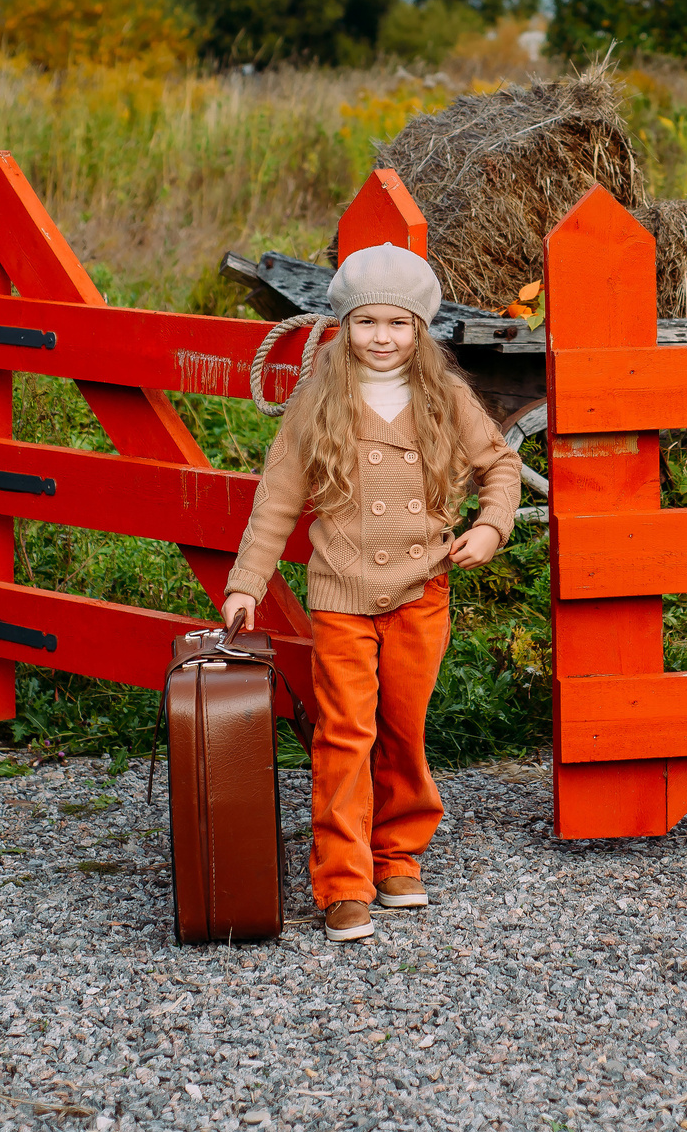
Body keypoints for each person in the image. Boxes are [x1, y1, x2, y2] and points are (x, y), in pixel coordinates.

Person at [221, 244, 522, 943]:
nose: (381, 337)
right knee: (345, 732)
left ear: (420, 329)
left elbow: (500, 464)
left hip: (422, 590)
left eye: (397, 323)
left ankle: (398, 853)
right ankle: (343, 878)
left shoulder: (444, 397)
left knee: (404, 728)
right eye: (366, 323)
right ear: (342, 324)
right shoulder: (317, 402)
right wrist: (246, 585)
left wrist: (490, 527)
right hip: (343, 596)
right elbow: (275, 506)